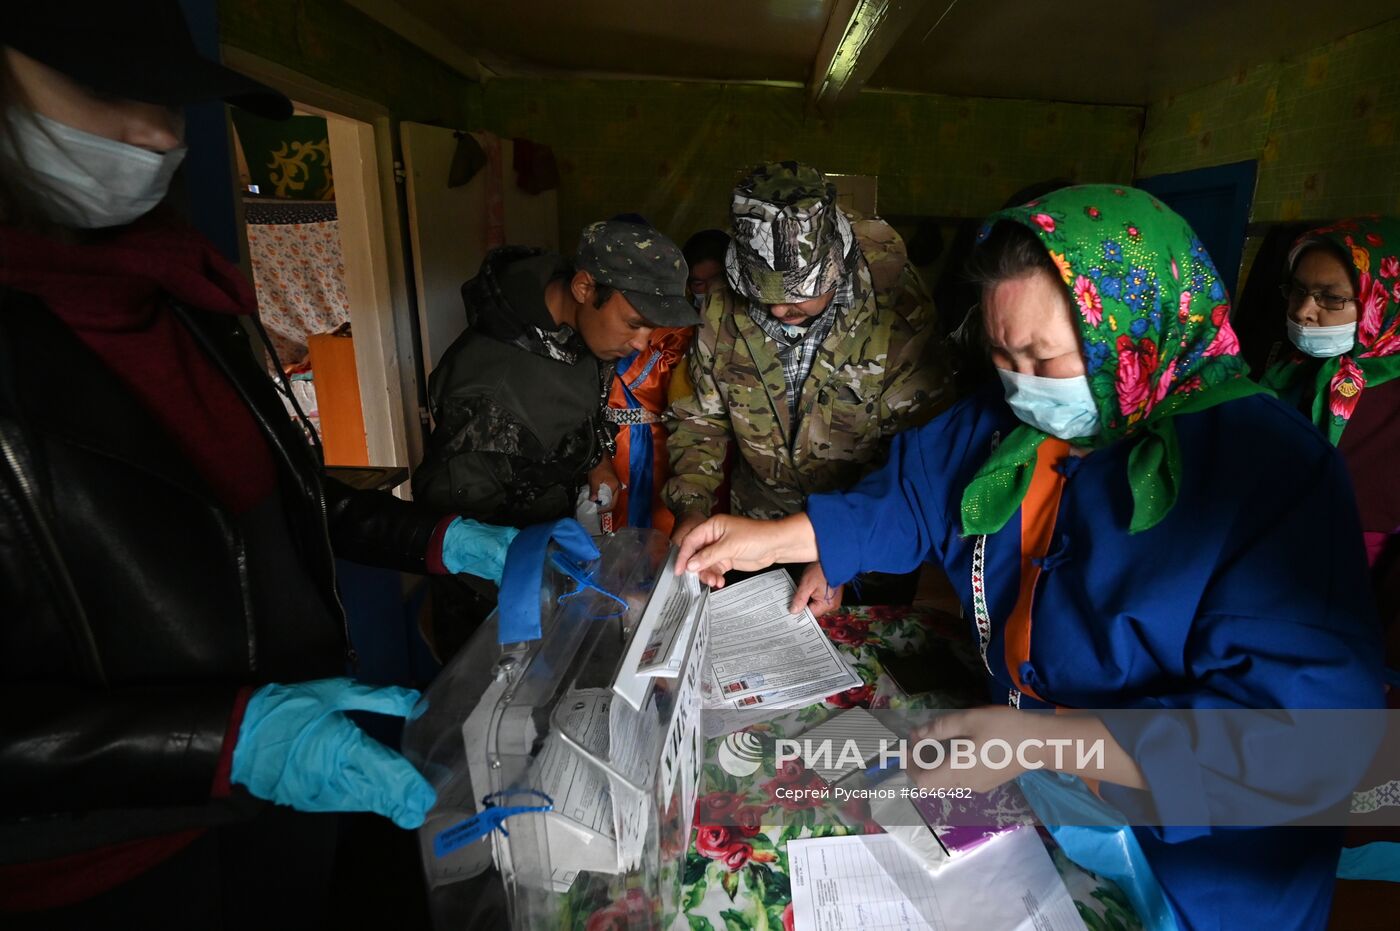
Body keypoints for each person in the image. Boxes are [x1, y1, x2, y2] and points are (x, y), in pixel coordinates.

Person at [675, 185, 1386, 930]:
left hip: (1199, 871)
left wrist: (1043, 739)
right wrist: (777, 538)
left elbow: (1311, 746)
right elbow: (916, 493)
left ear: (1134, 329)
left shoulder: (1273, 474)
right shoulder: (1008, 419)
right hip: (1045, 799)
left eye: (1046, 358)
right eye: (1004, 356)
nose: (1023, 388)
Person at [0, 4, 544, 924]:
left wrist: (448, 537)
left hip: (278, 793)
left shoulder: (185, 292)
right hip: (98, 861)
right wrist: (220, 741)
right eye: (103, 90)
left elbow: (276, 500)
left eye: (171, 102)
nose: (153, 134)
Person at [664, 161, 952, 609]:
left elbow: (922, 449)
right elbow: (699, 420)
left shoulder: (895, 304)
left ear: (838, 260)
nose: (782, 310)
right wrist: (692, 507)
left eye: (801, 291)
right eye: (767, 294)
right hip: (755, 533)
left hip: (871, 543)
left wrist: (840, 551)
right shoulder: (719, 310)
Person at [411, 220, 698, 655]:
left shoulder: (573, 325)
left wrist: (593, 459)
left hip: (554, 550)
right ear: (585, 287)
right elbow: (467, 542)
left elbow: (581, 403)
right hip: (498, 606)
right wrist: (584, 597)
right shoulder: (490, 391)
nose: (643, 344)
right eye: (635, 324)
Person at [682, 227, 730, 309]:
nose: (710, 289)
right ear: (688, 287)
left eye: (717, 279)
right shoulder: (684, 318)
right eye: (699, 284)